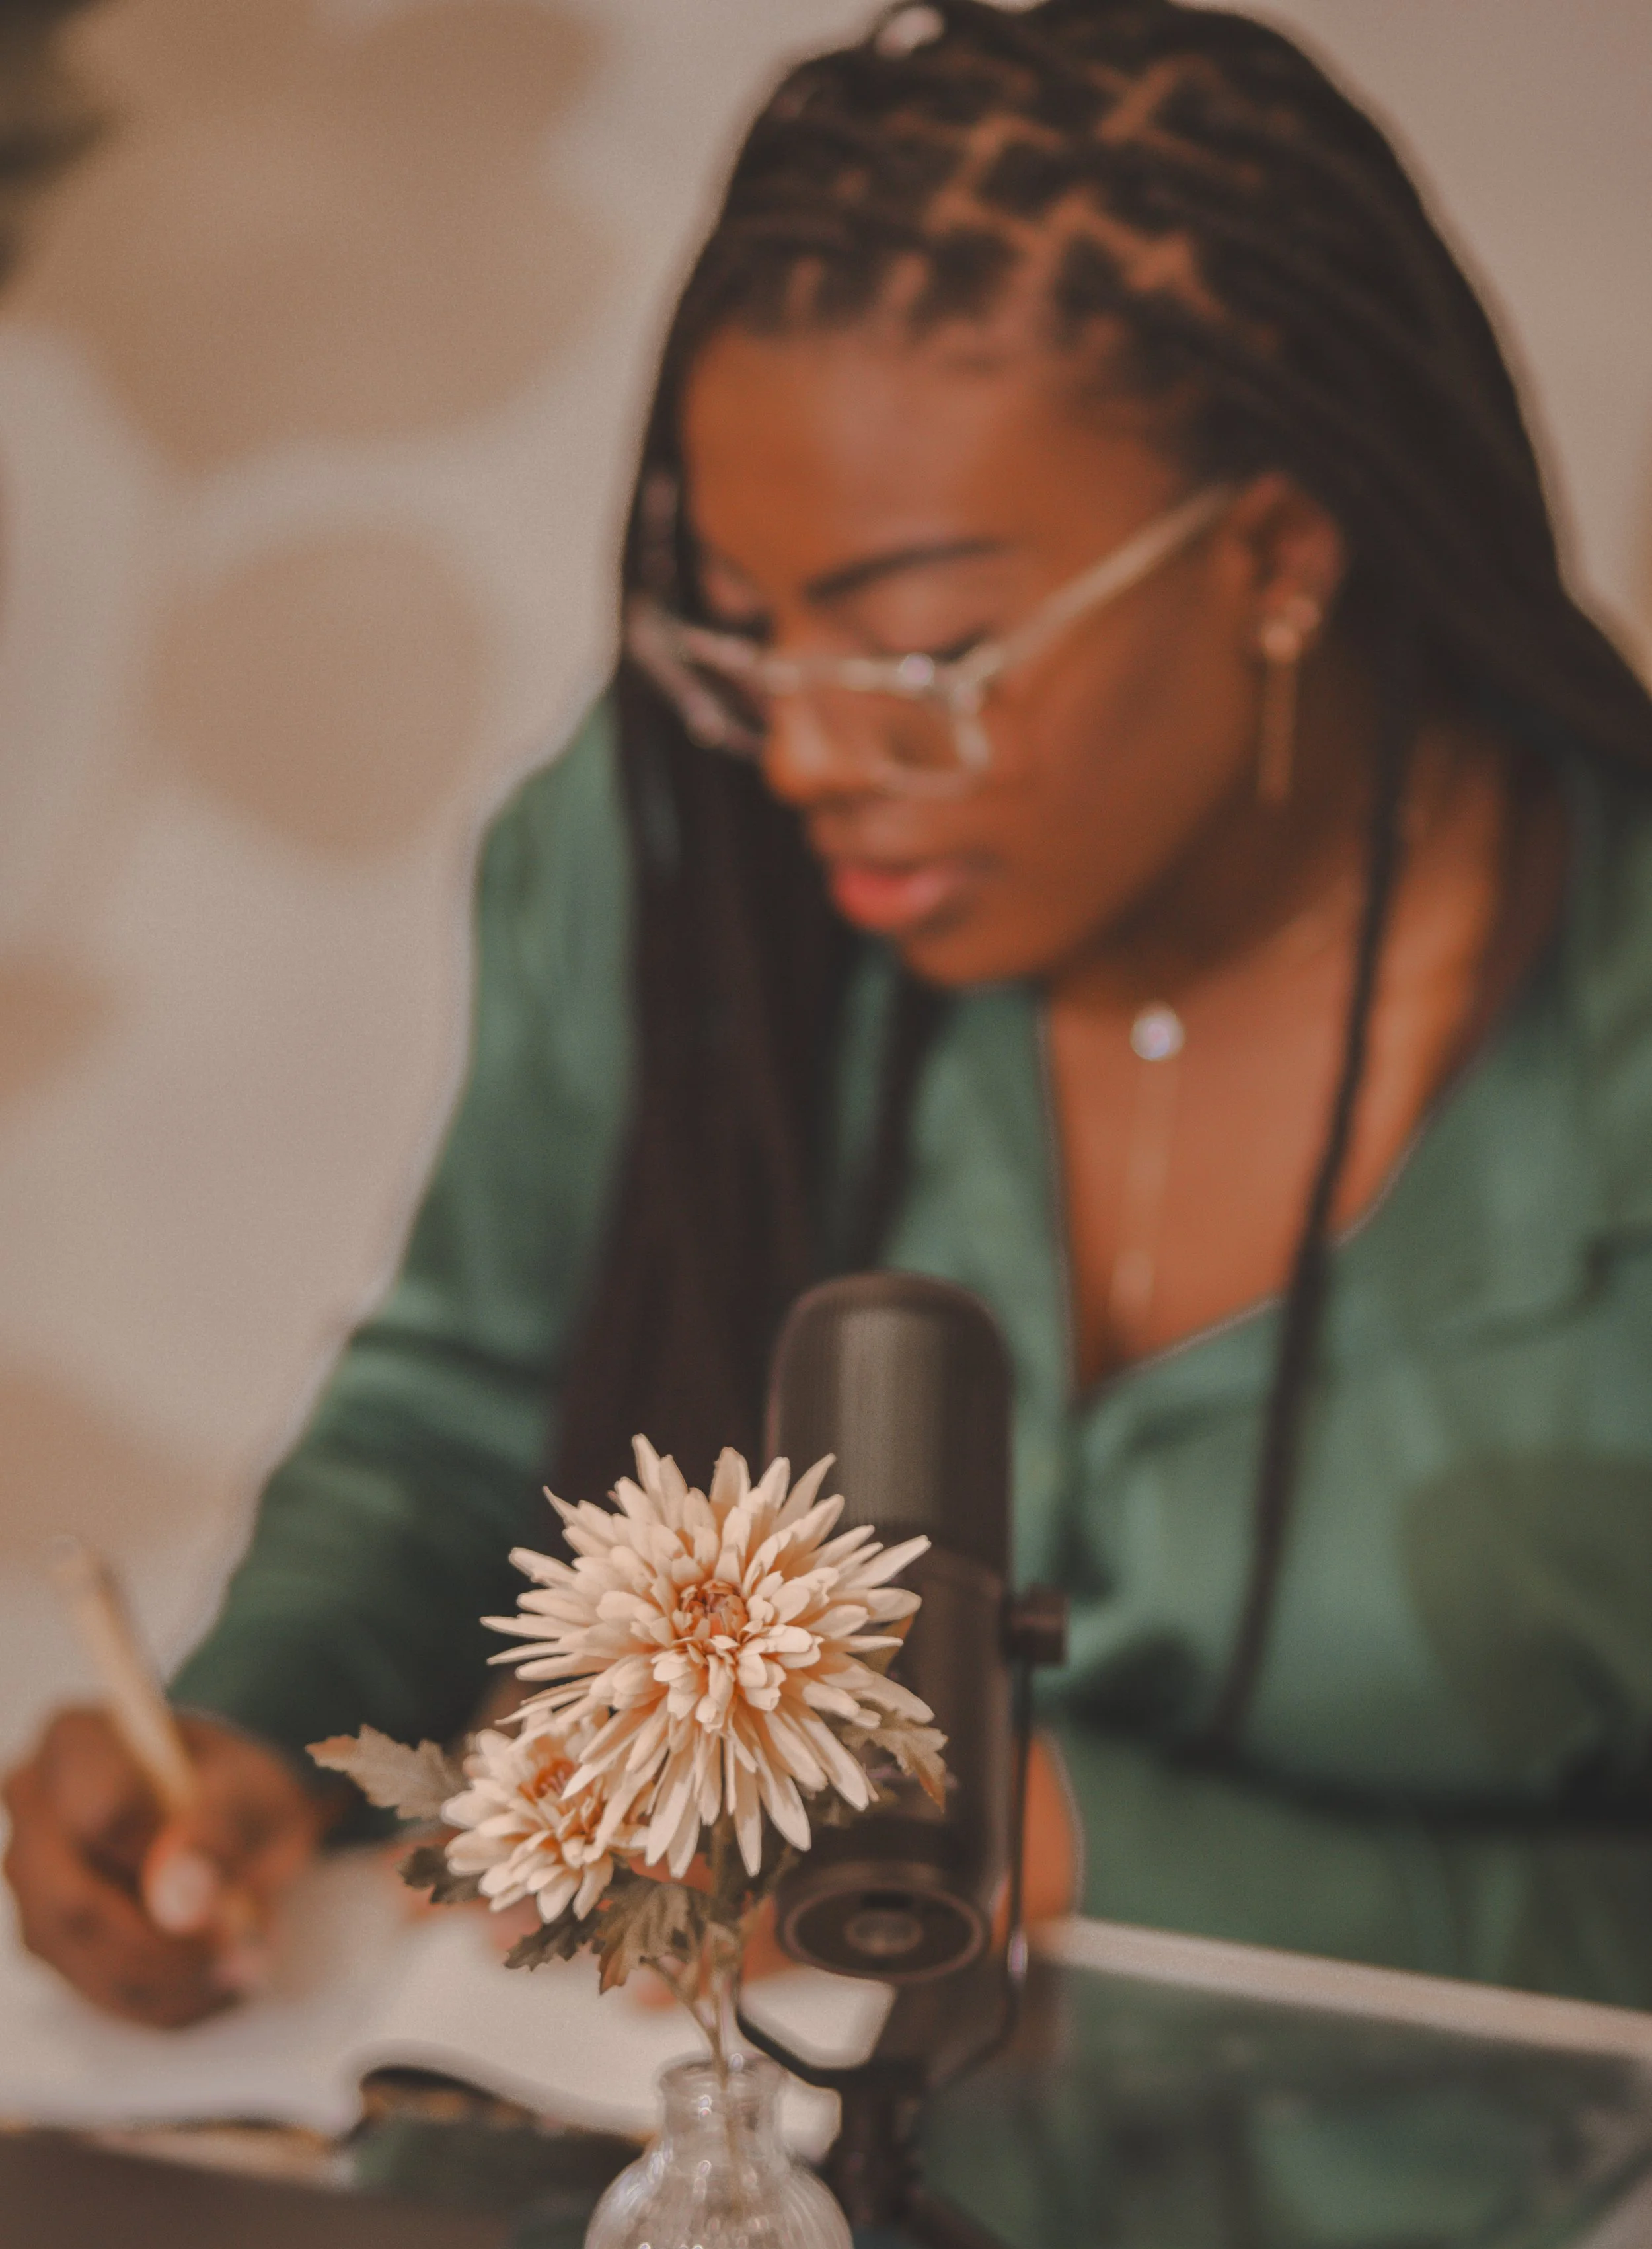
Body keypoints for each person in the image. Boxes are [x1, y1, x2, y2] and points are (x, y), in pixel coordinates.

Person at [10, 0, 1652, 2035]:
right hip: (776, 2209)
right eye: (737, 626)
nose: (795, 748)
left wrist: (1057, 1844)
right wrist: (248, 1731)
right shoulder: (676, 856)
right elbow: (468, 1407)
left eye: (915, 655)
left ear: (1271, 557)